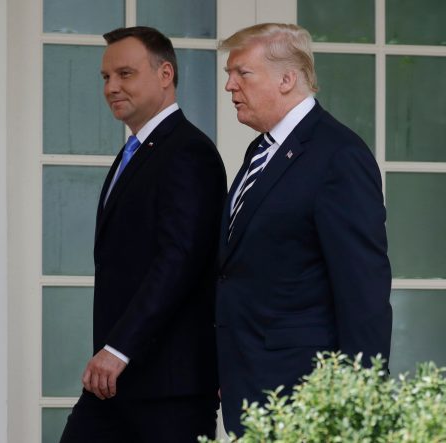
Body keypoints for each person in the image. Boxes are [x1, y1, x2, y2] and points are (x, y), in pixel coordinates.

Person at [215, 23, 393, 436]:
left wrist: (359, 398)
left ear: (287, 79)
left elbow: (363, 289)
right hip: (251, 381)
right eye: (229, 74)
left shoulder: (338, 155)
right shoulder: (261, 149)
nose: (229, 86)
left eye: (242, 73)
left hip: (304, 391)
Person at [59, 26, 226, 442]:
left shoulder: (189, 152)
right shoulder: (135, 151)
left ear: (165, 74)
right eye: (105, 78)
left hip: (169, 390)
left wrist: (117, 349)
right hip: (118, 383)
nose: (111, 87)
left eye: (125, 74)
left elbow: (179, 261)